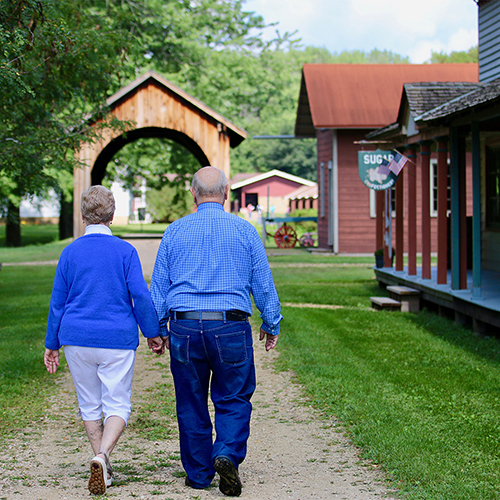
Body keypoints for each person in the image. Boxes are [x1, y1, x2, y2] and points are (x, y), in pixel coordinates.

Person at [151, 166, 282, 497]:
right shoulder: (245, 231)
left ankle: (198, 474)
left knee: (190, 400)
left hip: (184, 326)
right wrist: (271, 321)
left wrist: (157, 327)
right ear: (226, 193)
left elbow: (160, 286)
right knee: (234, 395)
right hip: (230, 325)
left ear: (193, 193)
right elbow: (262, 283)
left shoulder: (174, 231)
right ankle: (226, 452)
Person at [44, 185, 164, 496]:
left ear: (83, 216)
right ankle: (103, 456)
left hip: (76, 337)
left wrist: (52, 342)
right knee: (117, 402)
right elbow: (140, 295)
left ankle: (102, 465)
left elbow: (58, 302)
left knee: (89, 404)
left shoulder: (70, 252)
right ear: (111, 216)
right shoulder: (125, 252)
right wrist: (152, 333)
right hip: (116, 338)